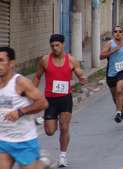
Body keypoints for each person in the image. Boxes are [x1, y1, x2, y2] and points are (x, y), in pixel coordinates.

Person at [33, 34, 87, 167]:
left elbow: (79, 72)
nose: (55, 48)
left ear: (63, 45)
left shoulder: (71, 60)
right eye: (52, 46)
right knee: (50, 131)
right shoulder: (45, 60)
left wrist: (82, 77)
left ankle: (63, 156)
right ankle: (50, 120)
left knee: (64, 127)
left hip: (65, 99)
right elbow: (37, 77)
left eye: (57, 45)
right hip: (50, 100)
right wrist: (31, 93)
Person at [0, 47, 48, 169]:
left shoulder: (20, 82)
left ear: (11, 63)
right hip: (3, 140)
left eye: (1, 60)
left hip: (24, 141)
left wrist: (20, 112)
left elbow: (43, 103)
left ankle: (41, 164)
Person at [100, 26, 123, 124]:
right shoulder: (109, 44)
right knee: (115, 96)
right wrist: (113, 50)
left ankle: (118, 112)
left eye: (120, 31)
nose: (118, 33)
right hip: (111, 73)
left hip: (122, 71)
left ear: (122, 33)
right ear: (113, 33)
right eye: (115, 31)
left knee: (119, 90)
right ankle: (120, 108)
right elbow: (101, 56)